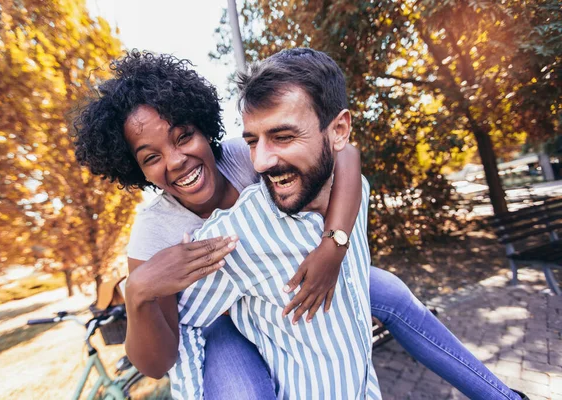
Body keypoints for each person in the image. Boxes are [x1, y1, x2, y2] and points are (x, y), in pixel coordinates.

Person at [73, 50, 527, 400]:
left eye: (184, 136)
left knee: (389, 292)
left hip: (284, 290)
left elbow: (344, 153)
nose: (177, 161)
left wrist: (334, 245)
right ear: (134, 169)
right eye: (151, 157)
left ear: (202, 127)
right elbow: (157, 362)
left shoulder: (246, 153)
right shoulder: (154, 234)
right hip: (222, 323)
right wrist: (138, 294)